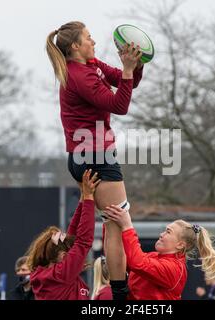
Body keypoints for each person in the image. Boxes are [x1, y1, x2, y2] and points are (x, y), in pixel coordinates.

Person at [46, 21, 144, 300]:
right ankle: (120, 294)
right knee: (117, 223)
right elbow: (119, 105)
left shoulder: (90, 65)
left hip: (86, 155)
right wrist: (126, 70)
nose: (94, 42)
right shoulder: (79, 75)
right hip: (96, 155)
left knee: (114, 221)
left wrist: (135, 63)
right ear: (75, 46)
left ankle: (99, 284)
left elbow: (129, 81)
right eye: (89, 38)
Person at [103, 205, 215, 300]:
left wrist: (127, 226)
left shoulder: (175, 268)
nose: (161, 235)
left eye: (168, 232)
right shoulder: (155, 257)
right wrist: (109, 225)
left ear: (180, 244)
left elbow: (137, 262)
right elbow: (119, 260)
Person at [27, 169, 100, 300]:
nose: (72, 253)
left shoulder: (45, 273)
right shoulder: (61, 274)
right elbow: (83, 241)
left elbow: (73, 235)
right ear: (63, 255)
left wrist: (83, 197)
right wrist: (89, 198)